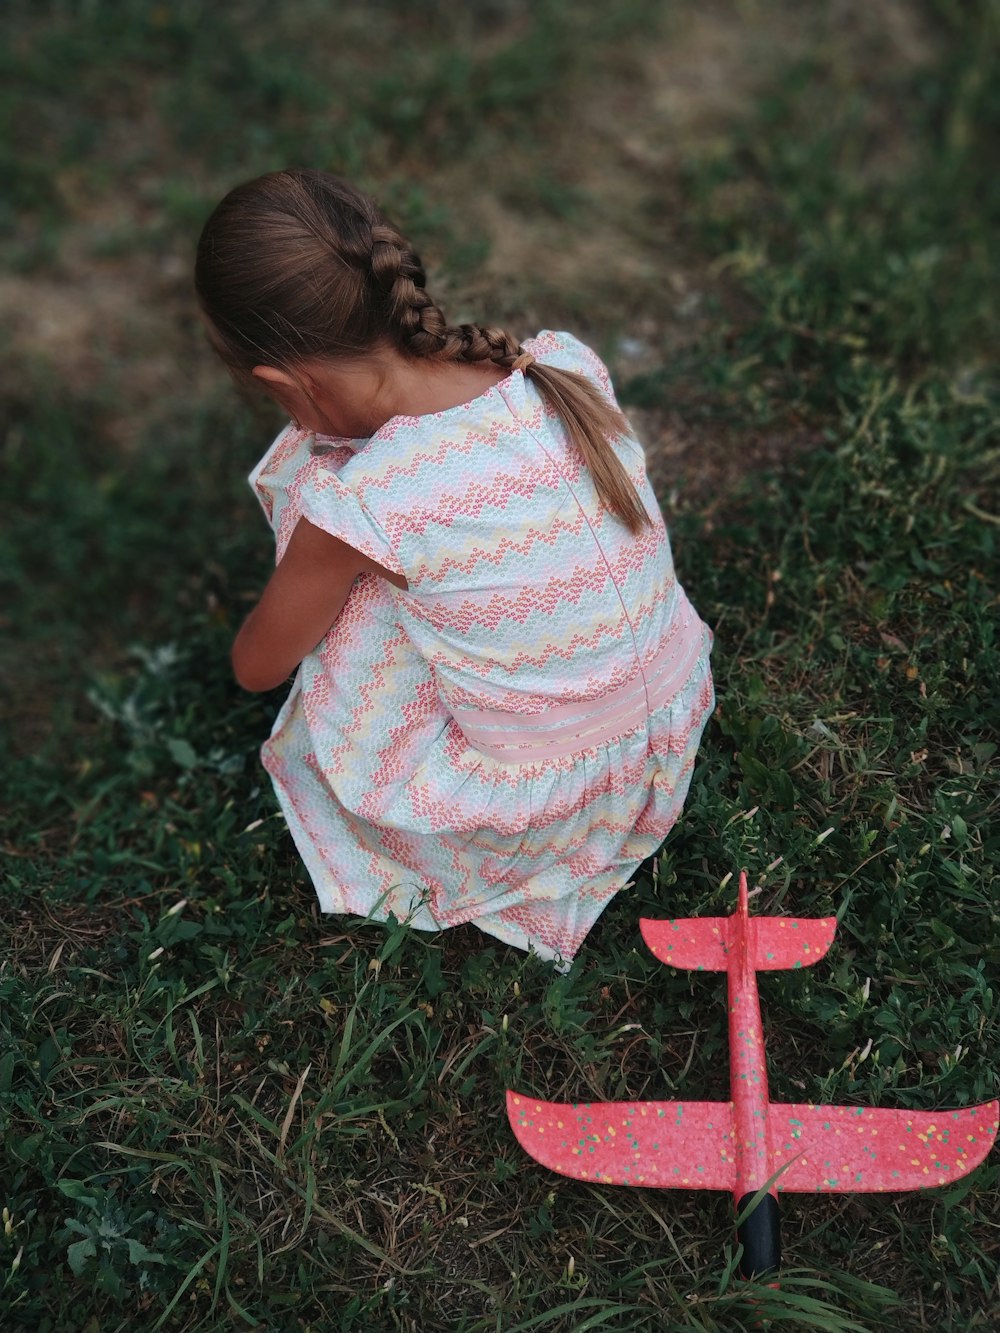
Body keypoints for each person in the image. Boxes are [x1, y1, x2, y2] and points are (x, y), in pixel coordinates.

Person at [194, 168, 714, 966]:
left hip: (543, 809)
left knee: (352, 583)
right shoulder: (558, 369)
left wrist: (315, 550)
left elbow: (257, 667)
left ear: (282, 381)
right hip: (664, 728)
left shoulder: (360, 507)